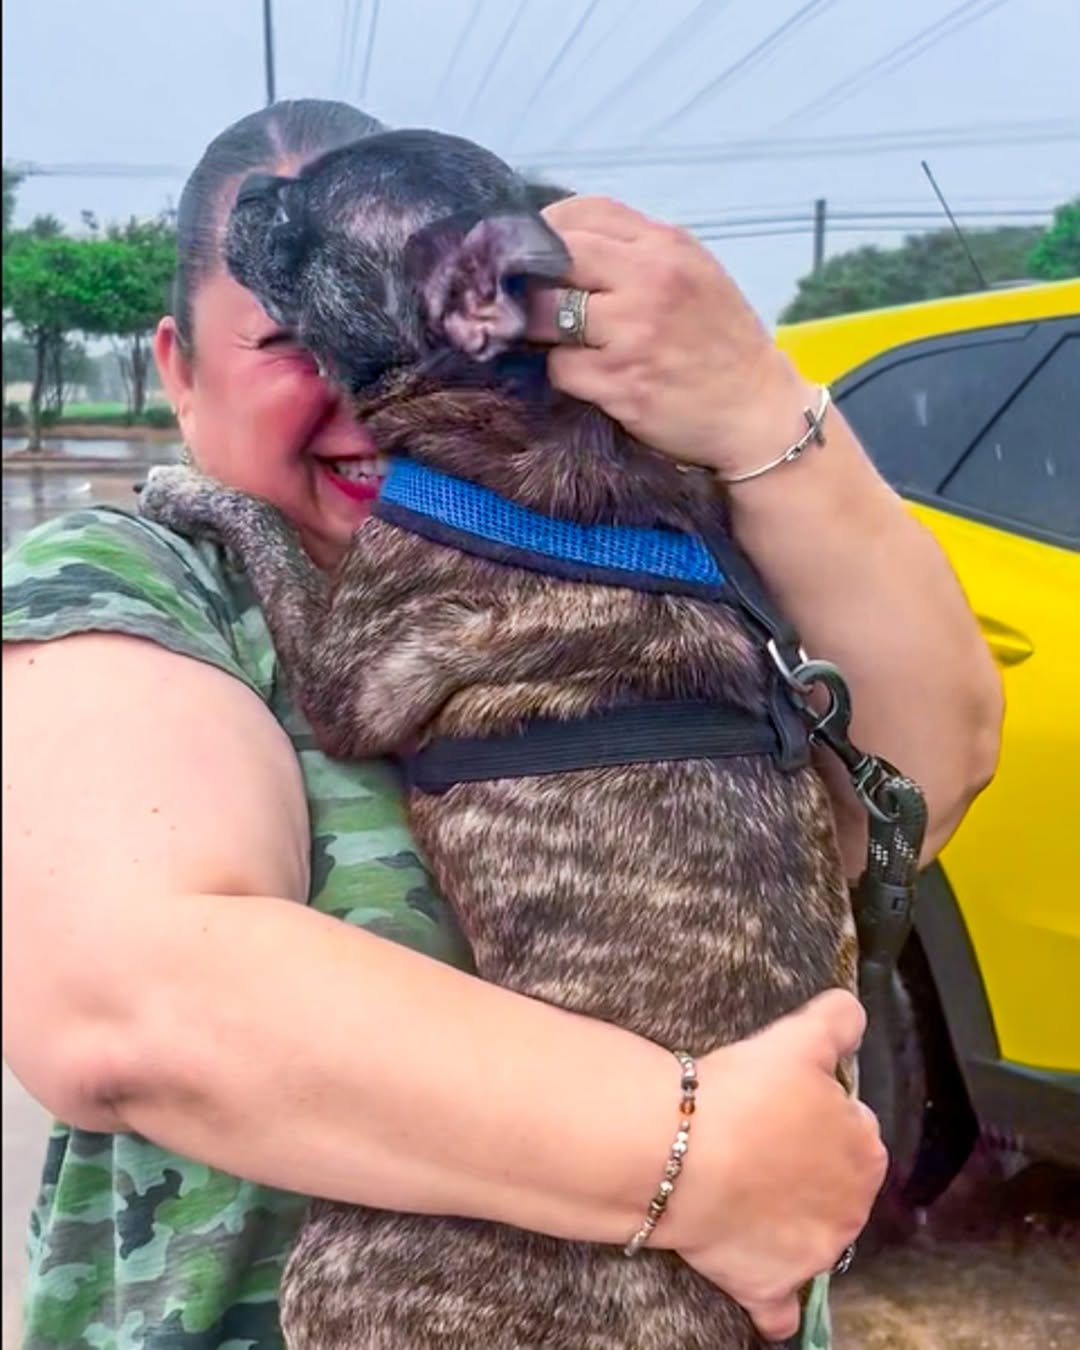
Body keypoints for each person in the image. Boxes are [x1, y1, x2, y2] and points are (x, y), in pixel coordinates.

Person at [1, 99, 1002, 1350]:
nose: (371, 398)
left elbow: (931, 779)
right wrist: (702, 1161)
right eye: (288, 343)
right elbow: (133, 1003)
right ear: (177, 372)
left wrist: (755, 405)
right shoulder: (135, 580)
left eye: (441, 337)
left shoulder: (632, 537)